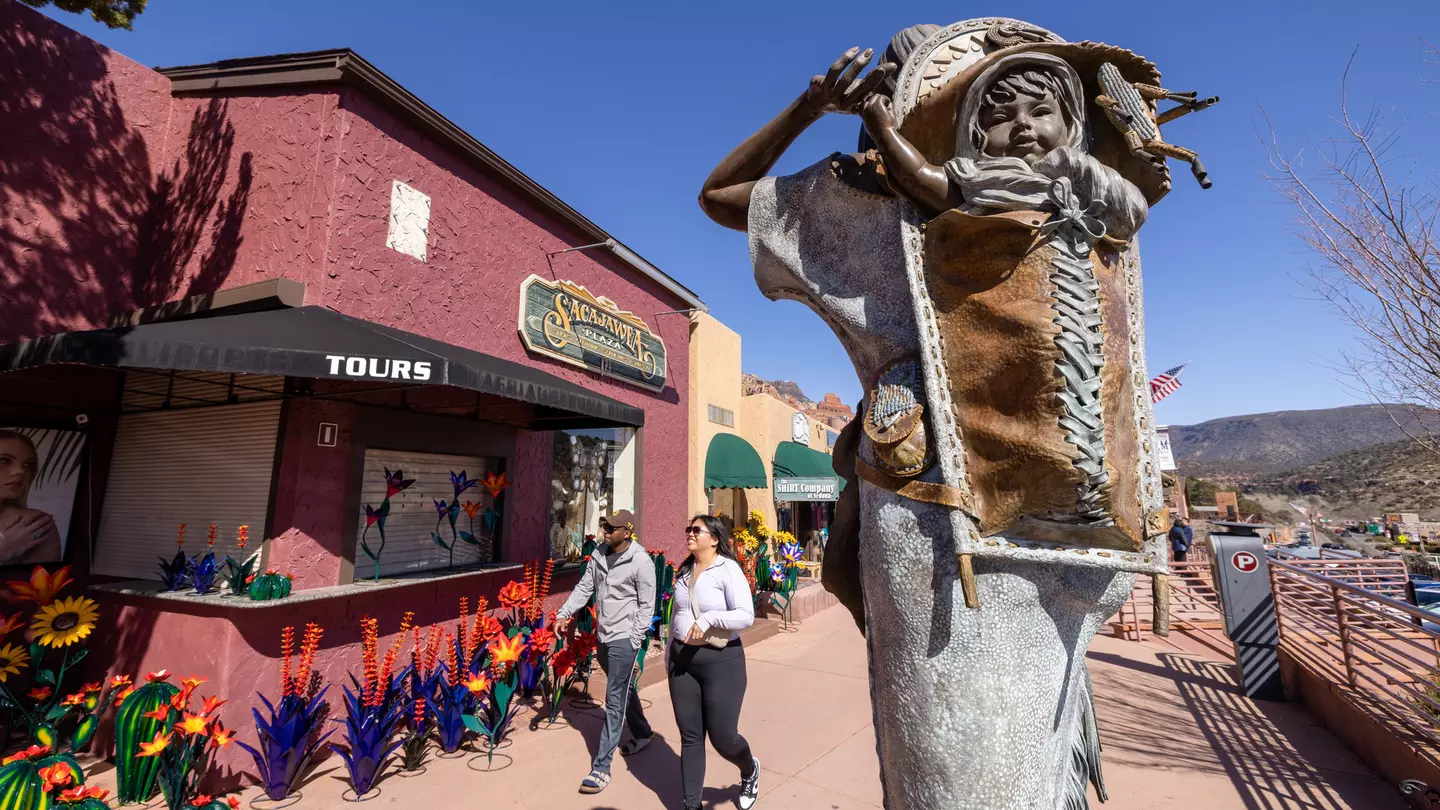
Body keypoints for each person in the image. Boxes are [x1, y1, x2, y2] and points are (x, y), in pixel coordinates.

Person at [554, 509, 656, 794]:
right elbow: (584, 587)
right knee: (623, 690)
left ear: (628, 531)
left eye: (612, 528)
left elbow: (648, 606)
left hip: (624, 639)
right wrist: (564, 613)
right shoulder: (599, 554)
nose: (606, 531)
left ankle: (601, 767)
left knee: (613, 701)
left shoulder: (641, 562)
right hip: (604, 637)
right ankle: (644, 733)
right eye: (604, 526)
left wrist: (635, 640)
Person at [670, 514, 759, 810]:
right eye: (689, 529)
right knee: (690, 737)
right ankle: (691, 804)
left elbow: (746, 615)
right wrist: (670, 650)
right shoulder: (684, 571)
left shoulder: (727, 569)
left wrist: (708, 619)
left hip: (722, 661)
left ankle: (749, 769)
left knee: (723, 738)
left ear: (714, 538)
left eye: (697, 530)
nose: (690, 534)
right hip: (682, 663)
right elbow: (676, 616)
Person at [0, 431, 62, 565]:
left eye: (27, 465)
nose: (20, 471)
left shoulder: (35, 523)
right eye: (4, 460)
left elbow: (44, 582)